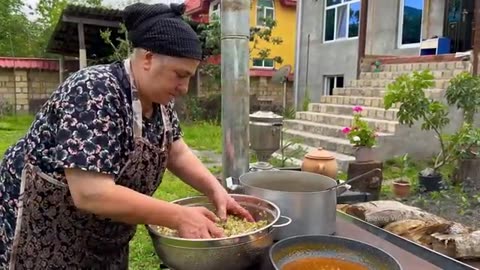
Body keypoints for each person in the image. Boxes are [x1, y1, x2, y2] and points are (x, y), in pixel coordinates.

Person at [0, 2, 253, 269]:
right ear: (148, 58)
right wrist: (179, 216)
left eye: (189, 77)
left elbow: (175, 150)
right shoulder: (93, 91)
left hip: (102, 235)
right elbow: (90, 193)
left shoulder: (159, 101)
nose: (184, 88)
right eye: (180, 75)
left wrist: (216, 191)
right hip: (46, 227)